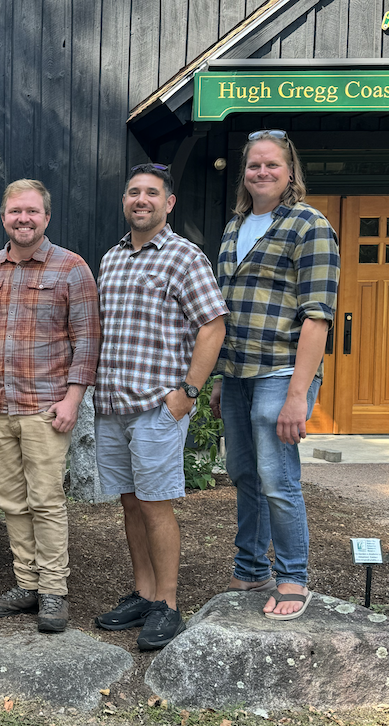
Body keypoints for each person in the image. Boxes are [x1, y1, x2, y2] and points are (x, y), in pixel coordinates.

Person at [92, 164, 227, 650]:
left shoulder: (184, 257)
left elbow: (212, 324)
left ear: (169, 203)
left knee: (155, 505)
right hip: (113, 404)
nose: (141, 200)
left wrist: (188, 392)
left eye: (152, 193)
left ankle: (168, 604)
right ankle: (144, 594)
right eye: (133, 192)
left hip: (157, 405)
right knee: (130, 503)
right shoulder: (111, 259)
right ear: (124, 202)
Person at [209, 130, 339, 620]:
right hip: (239, 372)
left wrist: (297, 396)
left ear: (290, 172)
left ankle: (292, 576)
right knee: (244, 474)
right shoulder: (236, 224)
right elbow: (229, 309)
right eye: (254, 166)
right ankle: (250, 567)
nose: (261, 172)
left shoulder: (310, 226)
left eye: (271, 165)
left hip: (282, 372)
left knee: (278, 479)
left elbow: (318, 316)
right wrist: (222, 377)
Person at [0, 178, 100, 633]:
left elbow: (87, 339)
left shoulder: (71, 268)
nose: (23, 219)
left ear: (46, 217)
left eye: (32, 212)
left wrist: (74, 399)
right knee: (11, 500)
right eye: (14, 212)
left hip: (46, 407)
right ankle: (26, 584)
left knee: (46, 500)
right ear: (3, 217)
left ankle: (53, 592)